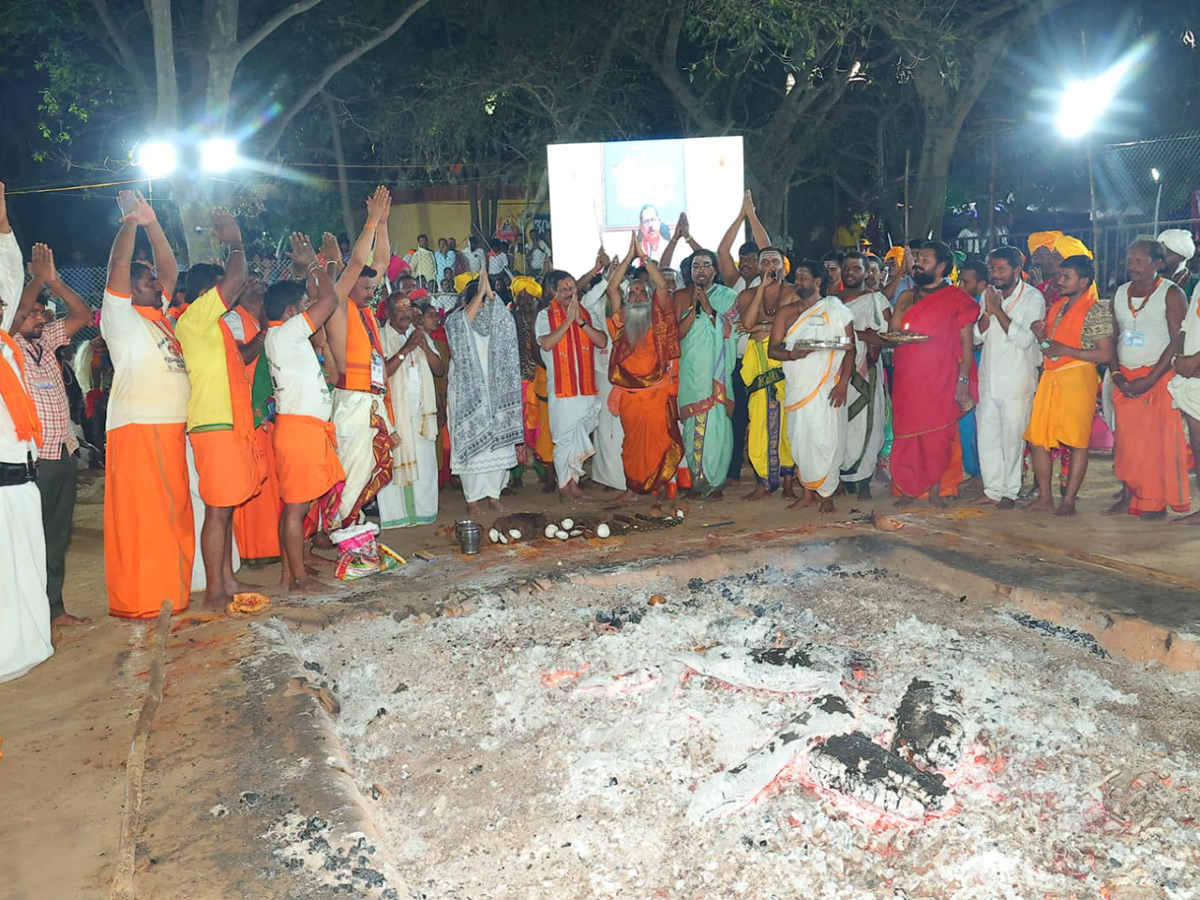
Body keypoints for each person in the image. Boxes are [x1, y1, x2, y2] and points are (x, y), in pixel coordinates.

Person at [101, 190, 194, 618]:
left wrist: (153, 221)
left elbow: (171, 269)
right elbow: (119, 267)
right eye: (146, 281)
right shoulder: (122, 321)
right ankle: (138, 600)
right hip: (137, 429)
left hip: (171, 429)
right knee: (144, 521)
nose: (157, 283)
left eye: (155, 280)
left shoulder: (163, 319)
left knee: (172, 517)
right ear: (128, 291)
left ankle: (169, 595)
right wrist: (130, 222)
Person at [174, 209, 261, 611]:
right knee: (217, 510)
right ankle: (213, 594)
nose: (229, 290)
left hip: (227, 421)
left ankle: (225, 580)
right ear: (206, 292)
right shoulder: (196, 318)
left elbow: (241, 359)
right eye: (219, 287)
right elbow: (238, 277)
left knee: (223, 510)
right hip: (214, 423)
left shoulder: (216, 325)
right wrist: (237, 240)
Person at [14, 243, 93, 625]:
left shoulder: (47, 342)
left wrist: (54, 282)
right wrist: (33, 280)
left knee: (57, 537)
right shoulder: (8, 345)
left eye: (43, 312)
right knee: (30, 538)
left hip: (62, 452)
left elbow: (82, 314)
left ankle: (55, 608)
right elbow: (12, 319)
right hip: (32, 459)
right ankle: (28, 615)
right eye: (33, 313)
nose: (40, 318)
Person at [264, 234, 345, 594]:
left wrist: (318, 268)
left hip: (303, 429)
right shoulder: (286, 334)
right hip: (300, 431)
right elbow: (328, 300)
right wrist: (314, 263)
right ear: (290, 313)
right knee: (295, 509)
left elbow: (317, 298)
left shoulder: (285, 335)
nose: (305, 309)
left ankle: (288, 574)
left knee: (296, 506)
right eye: (300, 306)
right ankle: (296, 580)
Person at [0, 178, 55, 682]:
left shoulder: (5, 347)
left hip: (24, 478)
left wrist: (3, 227)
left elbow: (10, 277)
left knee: (27, 571)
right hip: (1, 483)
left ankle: (30, 645)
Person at [888, 240, 980, 507]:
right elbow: (894, 333)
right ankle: (908, 488)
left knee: (938, 435)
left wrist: (963, 380)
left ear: (941, 266)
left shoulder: (956, 299)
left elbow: (966, 343)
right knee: (907, 432)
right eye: (916, 258)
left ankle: (937, 489)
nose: (918, 263)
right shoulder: (906, 297)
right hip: (908, 376)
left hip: (941, 376)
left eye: (925, 259)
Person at [324, 187, 395, 528]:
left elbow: (378, 262)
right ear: (349, 285)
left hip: (372, 398)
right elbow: (357, 263)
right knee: (352, 473)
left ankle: (348, 530)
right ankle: (344, 535)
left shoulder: (363, 305)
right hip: (352, 400)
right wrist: (369, 221)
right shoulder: (338, 305)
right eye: (366, 288)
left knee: (366, 470)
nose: (372, 292)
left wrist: (382, 223)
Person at [1023, 255, 1114, 516]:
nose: (1059, 281)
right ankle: (1044, 497)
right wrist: (1040, 337)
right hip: (1052, 377)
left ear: (1084, 281)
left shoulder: (1096, 310)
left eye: (1066, 277)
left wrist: (1065, 349)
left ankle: (1069, 501)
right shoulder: (1058, 308)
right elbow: (1050, 350)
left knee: (1076, 442)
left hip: (1077, 379)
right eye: (1060, 276)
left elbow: (1105, 354)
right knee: (1037, 439)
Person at [1107, 239, 1189, 519]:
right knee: (1127, 444)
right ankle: (1129, 497)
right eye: (1130, 260)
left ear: (1158, 264)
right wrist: (1116, 373)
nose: (1132, 266)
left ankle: (1155, 502)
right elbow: (1112, 337)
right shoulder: (1119, 293)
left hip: (1157, 377)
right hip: (1125, 378)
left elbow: (1179, 339)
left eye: (1140, 261)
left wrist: (1151, 378)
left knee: (1156, 444)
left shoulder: (1171, 293)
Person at [770, 260, 856, 513]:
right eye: (796, 278)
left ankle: (826, 494)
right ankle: (808, 493)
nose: (798, 282)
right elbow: (773, 349)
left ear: (818, 282)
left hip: (828, 386)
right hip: (798, 386)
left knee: (827, 439)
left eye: (803, 277)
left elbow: (850, 349)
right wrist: (791, 355)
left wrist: (843, 384)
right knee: (800, 440)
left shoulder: (835, 309)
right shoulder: (786, 313)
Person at [605, 232, 682, 501]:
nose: (637, 296)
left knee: (659, 443)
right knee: (631, 446)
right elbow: (612, 289)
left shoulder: (658, 321)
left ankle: (659, 491)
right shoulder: (621, 322)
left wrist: (644, 257)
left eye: (641, 292)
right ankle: (632, 490)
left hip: (656, 395)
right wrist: (629, 256)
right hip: (630, 397)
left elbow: (662, 286)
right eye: (633, 292)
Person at [973, 246, 1045, 509]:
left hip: (1017, 380)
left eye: (1001, 269)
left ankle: (1010, 492)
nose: (996, 273)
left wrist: (999, 311)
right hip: (989, 377)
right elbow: (976, 336)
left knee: (1012, 437)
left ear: (1017, 270)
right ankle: (992, 489)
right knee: (987, 436)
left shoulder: (1033, 298)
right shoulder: (988, 295)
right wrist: (989, 312)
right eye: (993, 268)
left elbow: (1026, 340)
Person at [445, 268, 522, 514]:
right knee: (473, 446)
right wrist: (479, 293)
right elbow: (461, 325)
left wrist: (490, 294)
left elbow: (504, 317)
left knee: (496, 447)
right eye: (477, 301)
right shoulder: (456, 321)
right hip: (469, 396)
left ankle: (494, 494)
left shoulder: (497, 324)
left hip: (495, 394)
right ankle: (472, 500)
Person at [221, 274, 282, 565]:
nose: (260, 284)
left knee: (271, 482)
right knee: (254, 481)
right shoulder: (234, 320)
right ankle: (252, 551)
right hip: (247, 412)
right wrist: (264, 333)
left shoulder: (263, 319)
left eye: (261, 281)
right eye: (251, 282)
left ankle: (271, 546)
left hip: (269, 411)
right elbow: (238, 357)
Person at [536, 268, 609, 500]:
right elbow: (546, 344)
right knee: (564, 439)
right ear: (553, 292)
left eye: (572, 287)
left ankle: (572, 484)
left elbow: (601, 340)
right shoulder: (544, 316)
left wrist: (579, 321)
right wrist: (567, 323)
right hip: (562, 389)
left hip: (585, 388)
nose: (569, 292)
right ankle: (565, 488)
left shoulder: (584, 313)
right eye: (564, 289)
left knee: (579, 435)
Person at [375, 292, 444, 527]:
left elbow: (439, 370)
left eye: (408, 309)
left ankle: (424, 512)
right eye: (400, 309)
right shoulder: (381, 336)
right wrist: (406, 348)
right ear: (388, 313)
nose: (406, 314)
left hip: (421, 414)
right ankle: (398, 517)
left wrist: (423, 345)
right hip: (395, 414)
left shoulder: (419, 334)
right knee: (396, 463)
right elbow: (381, 372)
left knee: (424, 463)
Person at [675, 248, 739, 497]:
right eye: (695, 266)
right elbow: (676, 335)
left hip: (716, 376)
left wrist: (711, 311)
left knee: (717, 428)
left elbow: (734, 331)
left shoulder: (727, 296)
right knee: (692, 429)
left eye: (705, 265)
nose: (700, 270)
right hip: (691, 373)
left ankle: (716, 482)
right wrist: (694, 308)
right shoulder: (681, 296)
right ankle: (696, 480)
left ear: (715, 269)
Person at [717, 192, 771, 485]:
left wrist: (752, 216)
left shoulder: (771, 283)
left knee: (763, 414)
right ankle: (734, 470)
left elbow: (768, 247)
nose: (749, 263)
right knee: (736, 416)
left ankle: (767, 471)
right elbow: (722, 251)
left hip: (763, 359)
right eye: (745, 259)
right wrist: (740, 216)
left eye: (754, 259)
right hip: (736, 362)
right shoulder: (734, 282)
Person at [737, 247, 798, 500]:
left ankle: (788, 481)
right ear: (760, 267)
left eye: (775, 260)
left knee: (786, 425)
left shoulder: (794, 292)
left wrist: (763, 325)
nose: (770, 265)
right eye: (765, 261)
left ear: (784, 266)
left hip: (784, 362)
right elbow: (747, 323)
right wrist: (761, 289)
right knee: (760, 423)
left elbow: (792, 324)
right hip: (759, 364)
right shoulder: (748, 294)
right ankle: (764, 480)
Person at [837, 251, 891, 499]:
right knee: (838, 424)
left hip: (865, 369)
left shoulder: (875, 301)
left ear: (866, 272)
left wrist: (857, 334)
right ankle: (837, 477)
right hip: (835, 369)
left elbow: (887, 337)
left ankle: (864, 482)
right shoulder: (831, 301)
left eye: (856, 268)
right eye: (846, 267)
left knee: (865, 424)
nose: (850, 271)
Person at [1167, 262, 1200, 524]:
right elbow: (1187, 327)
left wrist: (1194, 360)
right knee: (1198, 445)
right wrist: (1179, 359)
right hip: (1193, 377)